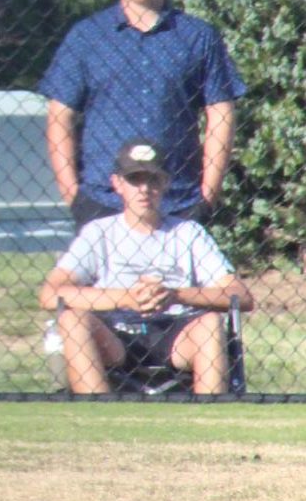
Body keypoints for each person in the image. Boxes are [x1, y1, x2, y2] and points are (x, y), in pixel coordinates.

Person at [39, 0, 244, 228]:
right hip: (104, 202)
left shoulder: (199, 37)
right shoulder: (87, 37)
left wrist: (207, 196)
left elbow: (221, 114)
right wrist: (75, 196)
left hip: (179, 202)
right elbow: (60, 117)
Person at [39, 137, 249, 396]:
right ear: (117, 183)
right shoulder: (98, 232)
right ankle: (95, 411)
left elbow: (240, 295)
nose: (144, 189)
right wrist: (126, 298)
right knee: (71, 320)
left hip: (176, 329)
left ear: (166, 183)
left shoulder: (187, 232)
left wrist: (174, 295)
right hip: (115, 332)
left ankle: (210, 416)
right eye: (134, 179)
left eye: (153, 180)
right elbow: (51, 293)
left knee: (211, 323)